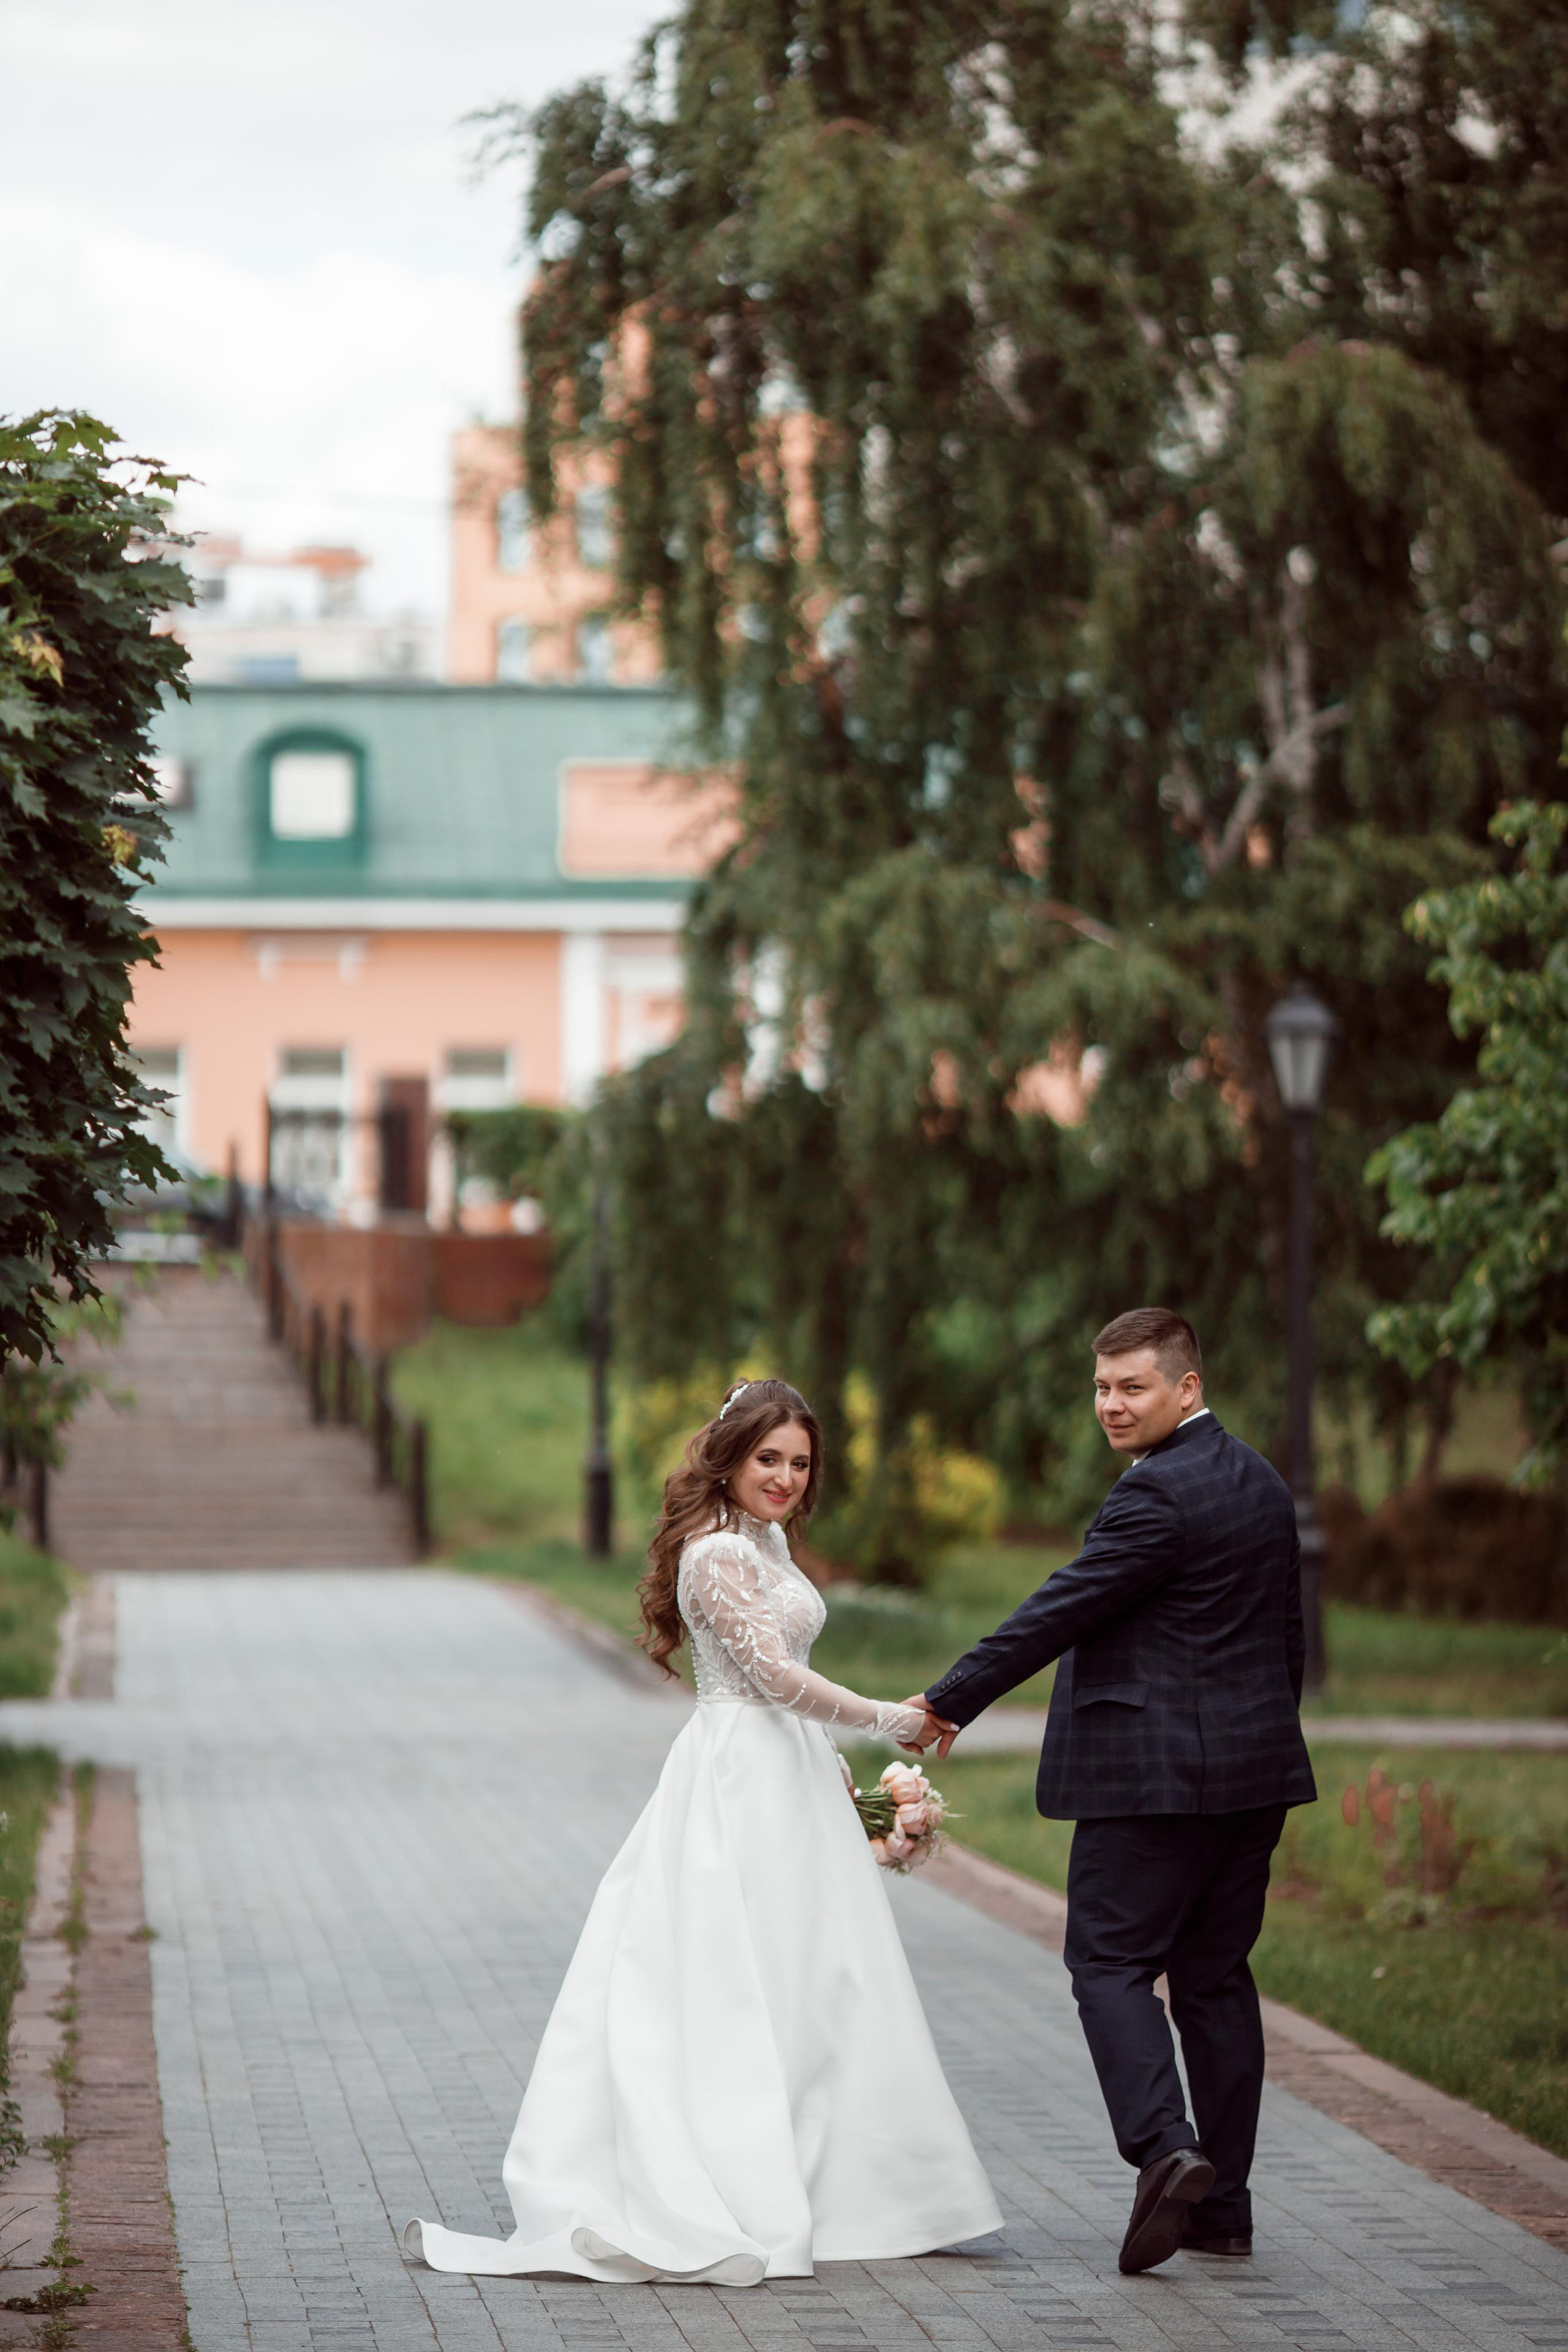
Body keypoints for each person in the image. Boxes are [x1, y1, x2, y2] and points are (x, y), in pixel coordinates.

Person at [406, 1377, 1001, 2286]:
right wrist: (895, 1720)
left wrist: (842, 1780)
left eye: (800, 1464)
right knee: (736, 1974)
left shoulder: (767, 1541)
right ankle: (739, 2181)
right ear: (728, 1459)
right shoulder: (716, 1553)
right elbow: (775, 1679)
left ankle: (846, 2186)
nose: (786, 1478)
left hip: (791, 1768)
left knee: (814, 1970)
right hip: (737, 1775)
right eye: (769, 1459)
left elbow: (790, 1678)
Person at [905, 1308, 1315, 2277]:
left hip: (1153, 1784)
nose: (1112, 1406)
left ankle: (1167, 2149)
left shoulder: (1157, 1494)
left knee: (1108, 1963)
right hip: (1252, 1779)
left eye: (1134, 1387)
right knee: (1215, 1980)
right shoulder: (1260, 1480)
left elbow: (1063, 1606)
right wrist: (1259, 1739)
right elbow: (1287, 1640)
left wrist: (949, 1699)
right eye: (1101, 1387)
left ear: (1188, 1387)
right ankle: (1225, 2213)